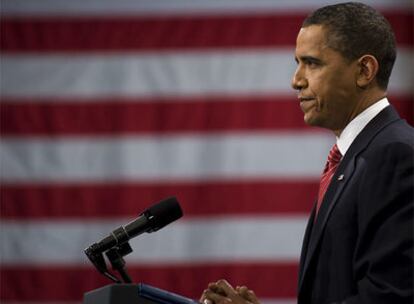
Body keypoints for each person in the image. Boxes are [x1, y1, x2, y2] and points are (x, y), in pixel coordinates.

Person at [200, 2, 413, 304]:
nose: (296, 80)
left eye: (312, 63)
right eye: (298, 62)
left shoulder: (396, 156)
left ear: (364, 70)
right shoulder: (357, 156)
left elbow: (389, 297)